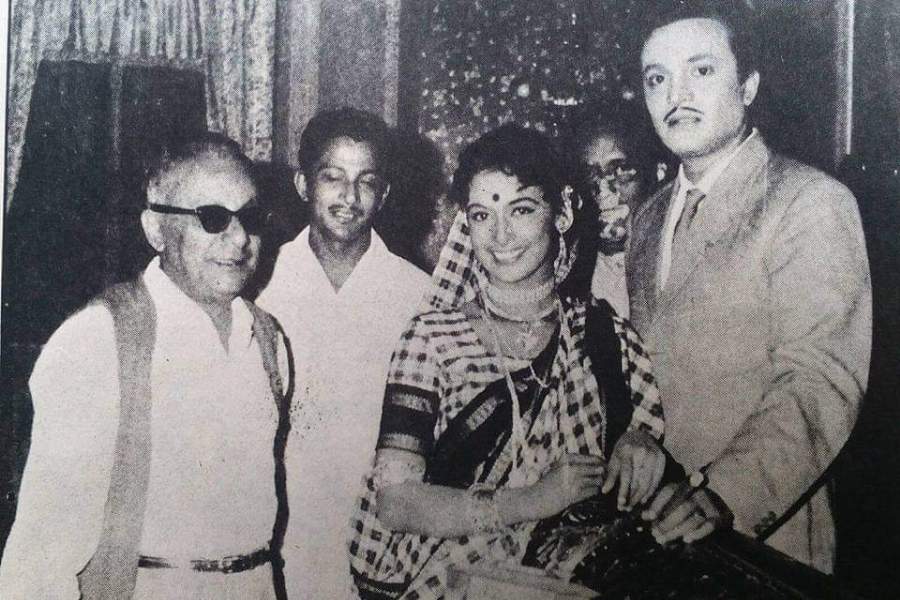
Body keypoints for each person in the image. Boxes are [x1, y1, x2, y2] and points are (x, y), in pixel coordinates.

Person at [349, 124, 667, 599]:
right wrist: (530, 502)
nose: (500, 236)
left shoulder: (605, 337)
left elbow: (645, 446)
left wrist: (641, 442)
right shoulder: (434, 339)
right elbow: (395, 503)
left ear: (561, 214)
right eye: (481, 215)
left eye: (521, 209)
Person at [623, 1, 871, 573]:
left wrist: (725, 494)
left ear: (750, 84)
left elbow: (820, 381)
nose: (675, 93)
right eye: (656, 78)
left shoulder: (809, 202)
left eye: (702, 70)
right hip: (655, 539)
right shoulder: (647, 220)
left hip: (762, 538)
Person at [0, 134, 292, 598]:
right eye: (213, 218)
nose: (239, 239)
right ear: (155, 229)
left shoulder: (270, 341)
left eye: (250, 219)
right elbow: (41, 555)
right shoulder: (99, 339)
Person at [254, 108, 430, 598]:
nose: (349, 197)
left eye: (366, 181)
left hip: (377, 542)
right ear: (303, 184)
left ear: (385, 193)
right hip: (276, 535)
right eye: (333, 177)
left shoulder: (417, 295)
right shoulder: (261, 282)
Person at [568, 98, 671, 316]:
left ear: (657, 172)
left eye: (621, 170)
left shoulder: (679, 257)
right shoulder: (569, 268)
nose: (604, 190)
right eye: (591, 174)